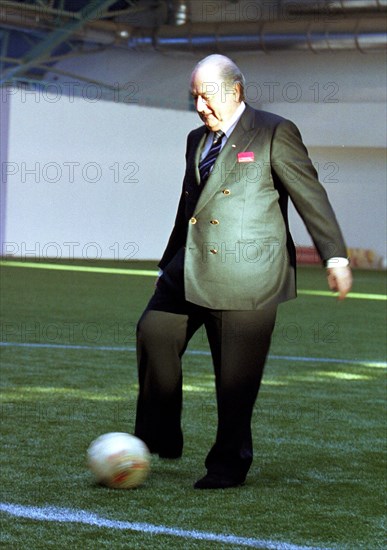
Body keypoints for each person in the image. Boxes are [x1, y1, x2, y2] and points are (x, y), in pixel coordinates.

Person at [134, 54, 352, 489]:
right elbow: (189, 208)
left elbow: (310, 192)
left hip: (248, 277)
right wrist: (167, 264)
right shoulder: (196, 137)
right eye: (194, 97)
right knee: (153, 332)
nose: (200, 106)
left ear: (235, 92)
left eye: (208, 96)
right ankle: (161, 432)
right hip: (189, 267)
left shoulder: (274, 131)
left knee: (234, 383)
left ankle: (228, 464)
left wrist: (336, 256)